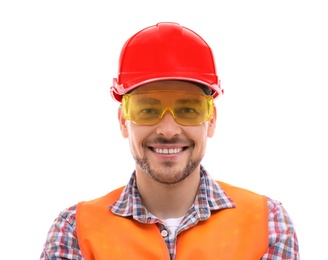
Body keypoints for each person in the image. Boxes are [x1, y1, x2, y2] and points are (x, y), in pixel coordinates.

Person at [40, 22, 300, 259]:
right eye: (148, 109)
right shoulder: (75, 229)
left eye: (188, 109)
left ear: (210, 121)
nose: (168, 129)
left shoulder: (267, 224)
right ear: (123, 121)